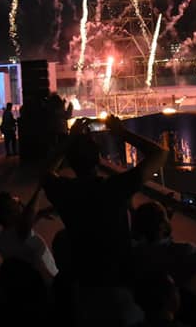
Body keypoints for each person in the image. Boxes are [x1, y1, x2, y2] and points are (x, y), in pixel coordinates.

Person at [41, 115, 168, 325]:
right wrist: (121, 132)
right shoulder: (114, 188)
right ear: (99, 157)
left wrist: (70, 140)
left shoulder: (64, 191)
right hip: (119, 287)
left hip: (85, 288)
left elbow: (46, 170)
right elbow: (160, 154)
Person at [132, 193, 196, 325]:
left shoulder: (136, 252)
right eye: (164, 216)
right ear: (161, 226)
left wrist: (164, 218)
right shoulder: (182, 252)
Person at [0, 186, 58, 285]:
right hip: (47, 282)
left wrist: (42, 213)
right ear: (7, 215)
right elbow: (26, 222)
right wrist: (40, 188)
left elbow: (25, 223)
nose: (19, 204)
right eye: (14, 203)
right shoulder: (15, 235)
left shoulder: (3, 238)